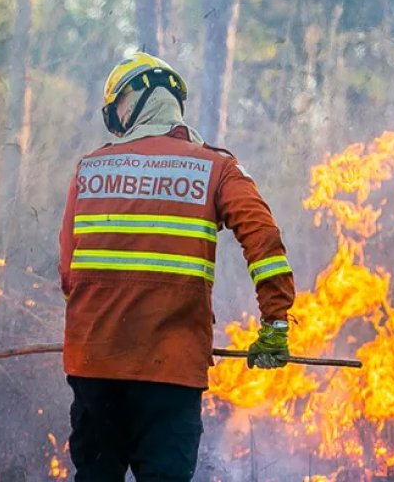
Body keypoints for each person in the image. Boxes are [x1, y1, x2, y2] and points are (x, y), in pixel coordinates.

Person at [58, 51, 297, 481]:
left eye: (119, 107)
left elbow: (68, 273)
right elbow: (264, 240)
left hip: (94, 366)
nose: (118, 120)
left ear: (138, 96)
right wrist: (275, 323)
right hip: (171, 373)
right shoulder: (217, 168)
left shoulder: (89, 170)